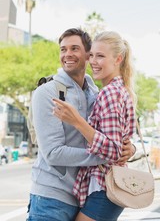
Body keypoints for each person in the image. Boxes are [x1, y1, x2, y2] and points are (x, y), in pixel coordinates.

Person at [27, 28, 136, 221]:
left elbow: (115, 133)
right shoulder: (47, 92)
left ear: (87, 55)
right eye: (63, 49)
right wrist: (110, 155)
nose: (67, 54)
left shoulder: (96, 92)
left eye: (74, 48)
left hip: (83, 196)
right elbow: (52, 153)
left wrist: (129, 148)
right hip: (51, 197)